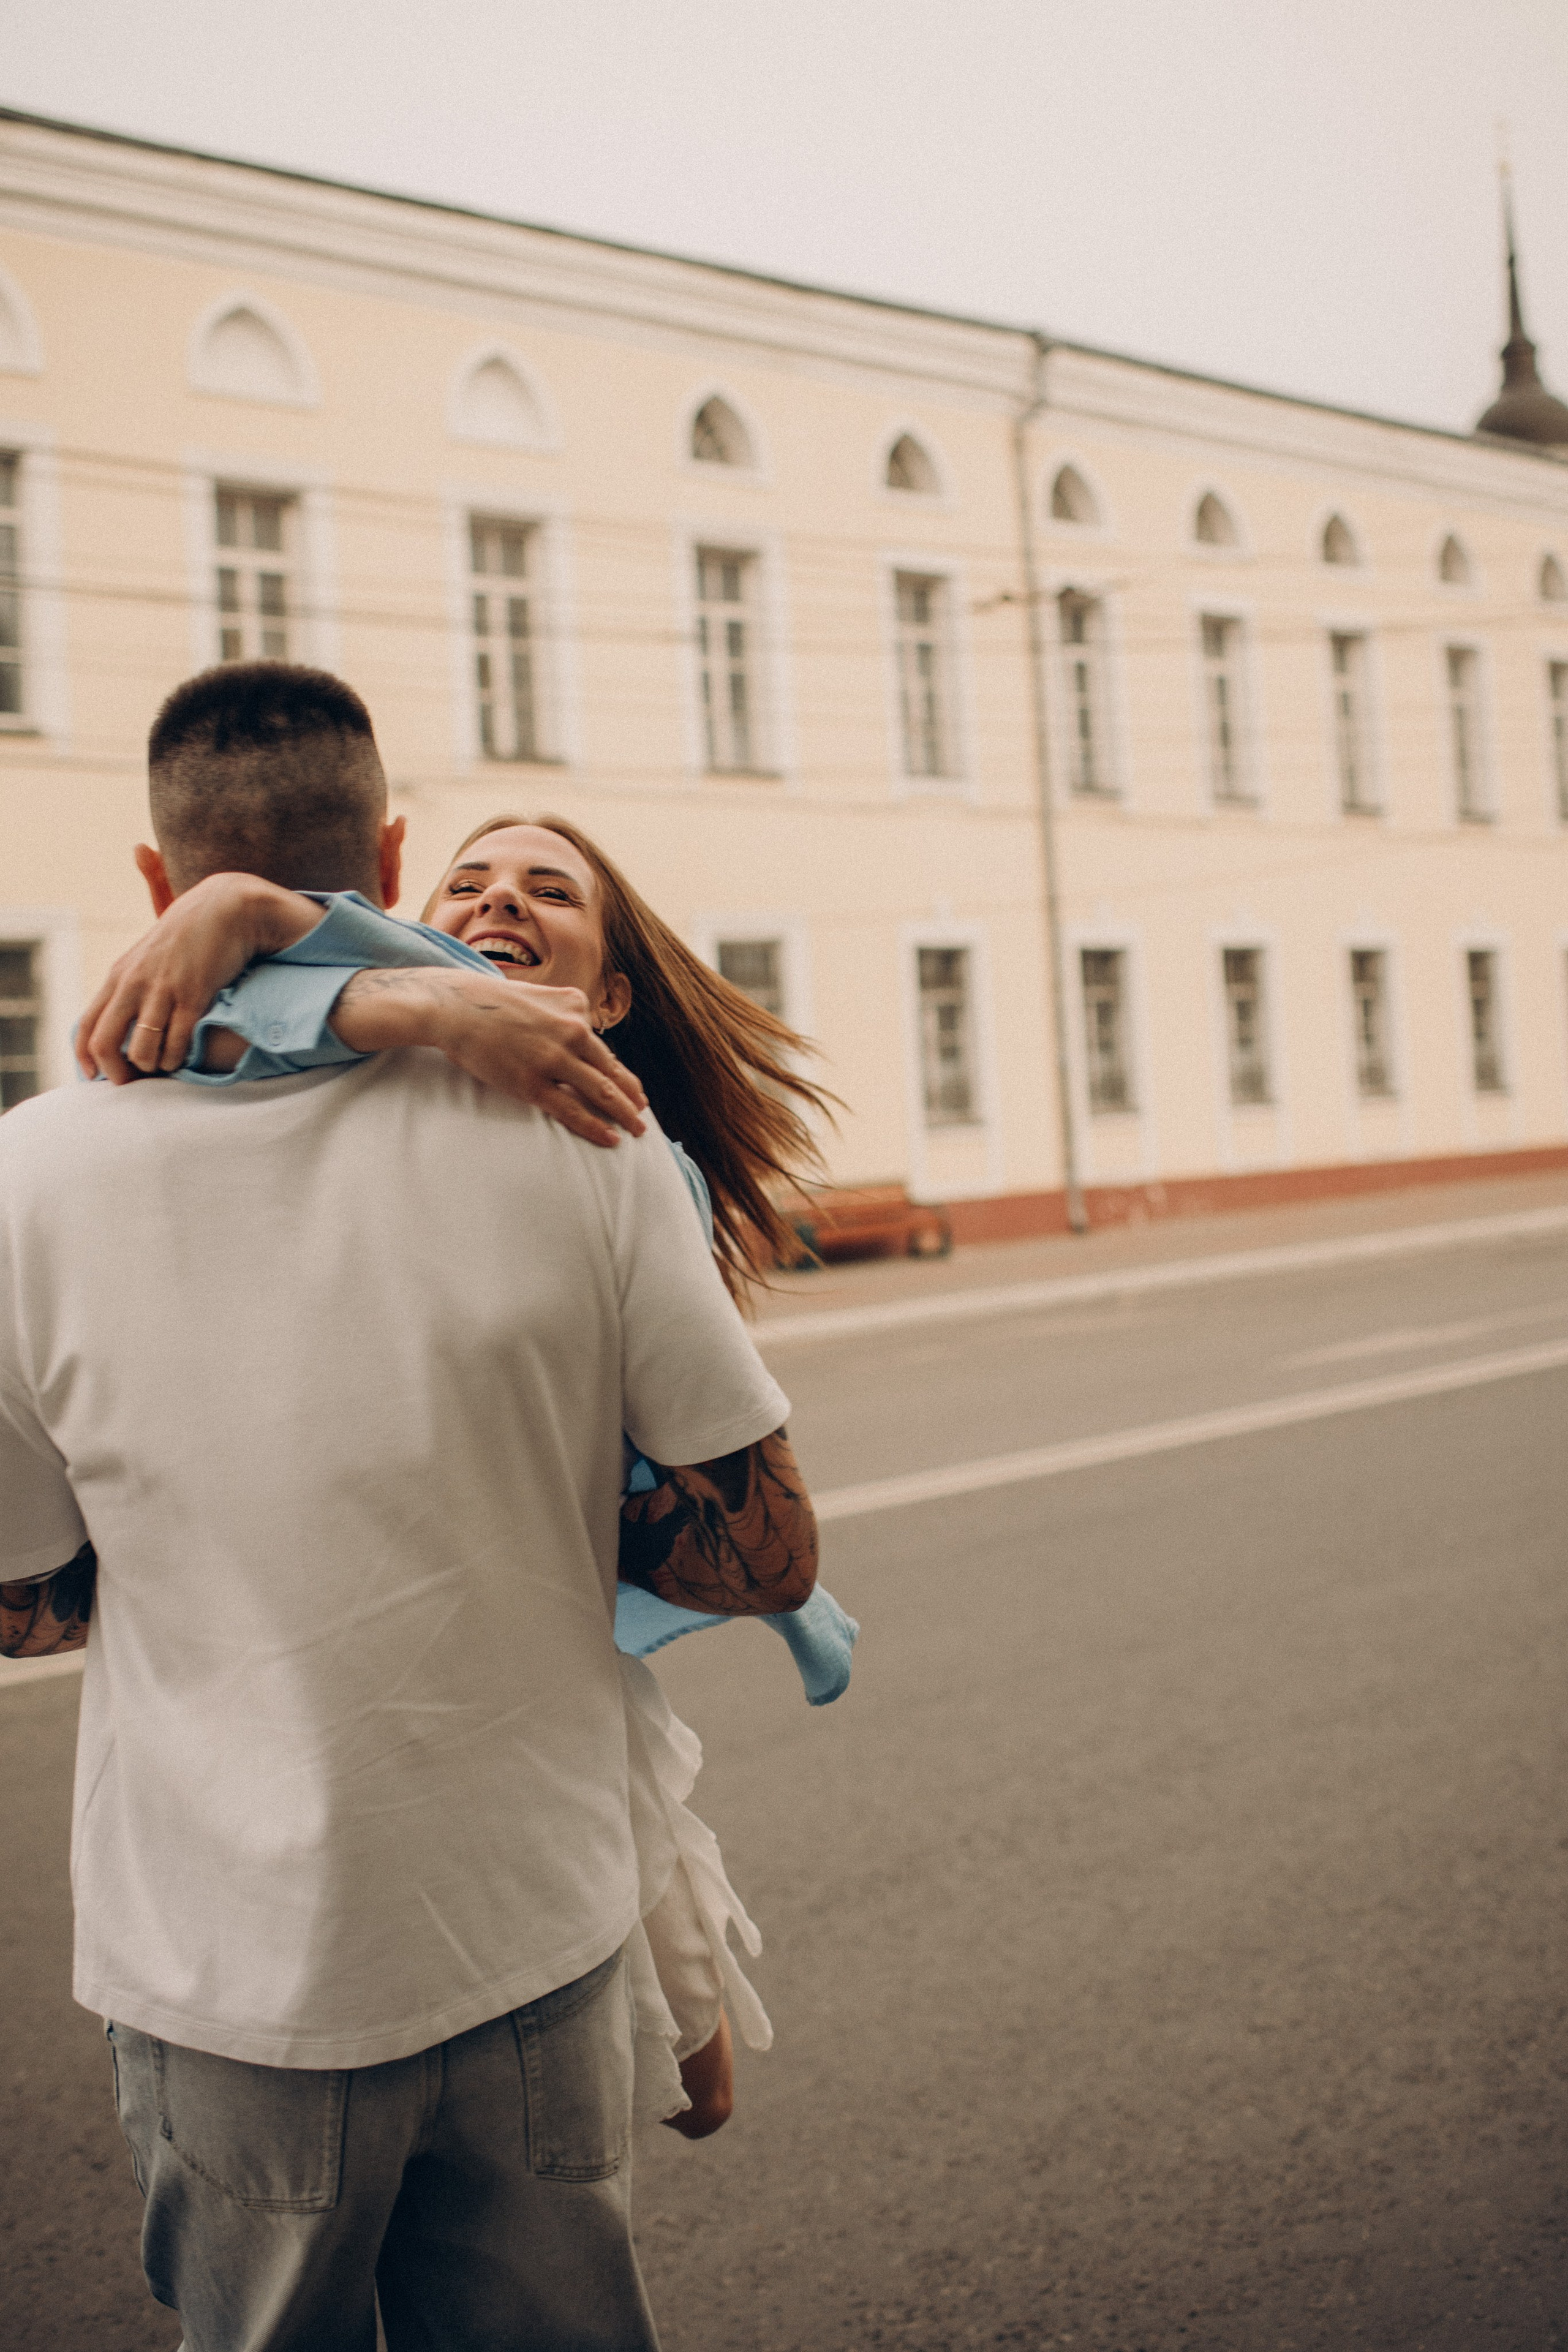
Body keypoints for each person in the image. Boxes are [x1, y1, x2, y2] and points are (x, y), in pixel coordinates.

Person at [0, 663, 818, 2352]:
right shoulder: (583, 1139)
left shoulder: (27, 1180)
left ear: (150, 879)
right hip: (522, 1929)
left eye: (549, 894)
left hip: (225, 1964)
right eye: (469, 880)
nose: (500, 915)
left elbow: (23, 1599)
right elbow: (772, 1555)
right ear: (390, 860)